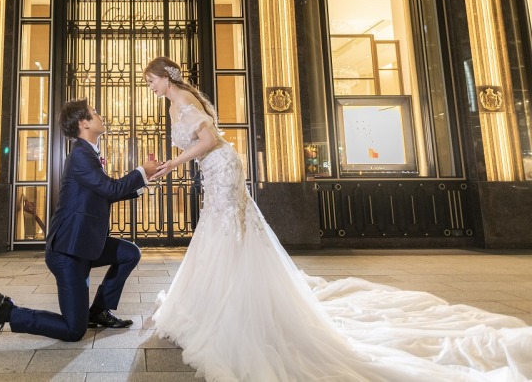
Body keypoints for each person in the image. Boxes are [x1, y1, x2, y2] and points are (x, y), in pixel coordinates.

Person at [144, 56, 532, 382]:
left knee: (226, 230)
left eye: (151, 81)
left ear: (165, 77)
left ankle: (229, 303)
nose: (151, 88)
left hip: (220, 166)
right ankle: (218, 297)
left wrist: (171, 165)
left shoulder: (183, 102)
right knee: (224, 231)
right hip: (216, 169)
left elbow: (209, 140)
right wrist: (178, 164)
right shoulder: (182, 99)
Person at [0, 98, 159, 343]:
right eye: (94, 113)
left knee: (129, 253)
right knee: (74, 330)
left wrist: (144, 181)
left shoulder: (88, 153)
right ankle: (10, 312)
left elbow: (104, 193)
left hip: (85, 244)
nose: (100, 116)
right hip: (68, 253)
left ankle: (98, 311)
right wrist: (141, 171)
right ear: (84, 123)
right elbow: (110, 189)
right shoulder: (80, 156)